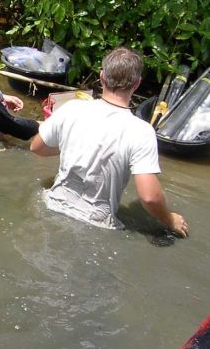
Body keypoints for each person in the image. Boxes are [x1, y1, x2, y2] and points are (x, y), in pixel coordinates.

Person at [30, 47, 188, 237]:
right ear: (137, 83)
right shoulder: (141, 132)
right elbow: (150, 197)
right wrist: (170, 219)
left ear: (102, 77)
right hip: (97, 225)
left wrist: (67, 146)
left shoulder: (71, 108)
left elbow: (37, 147)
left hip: (52, 206)